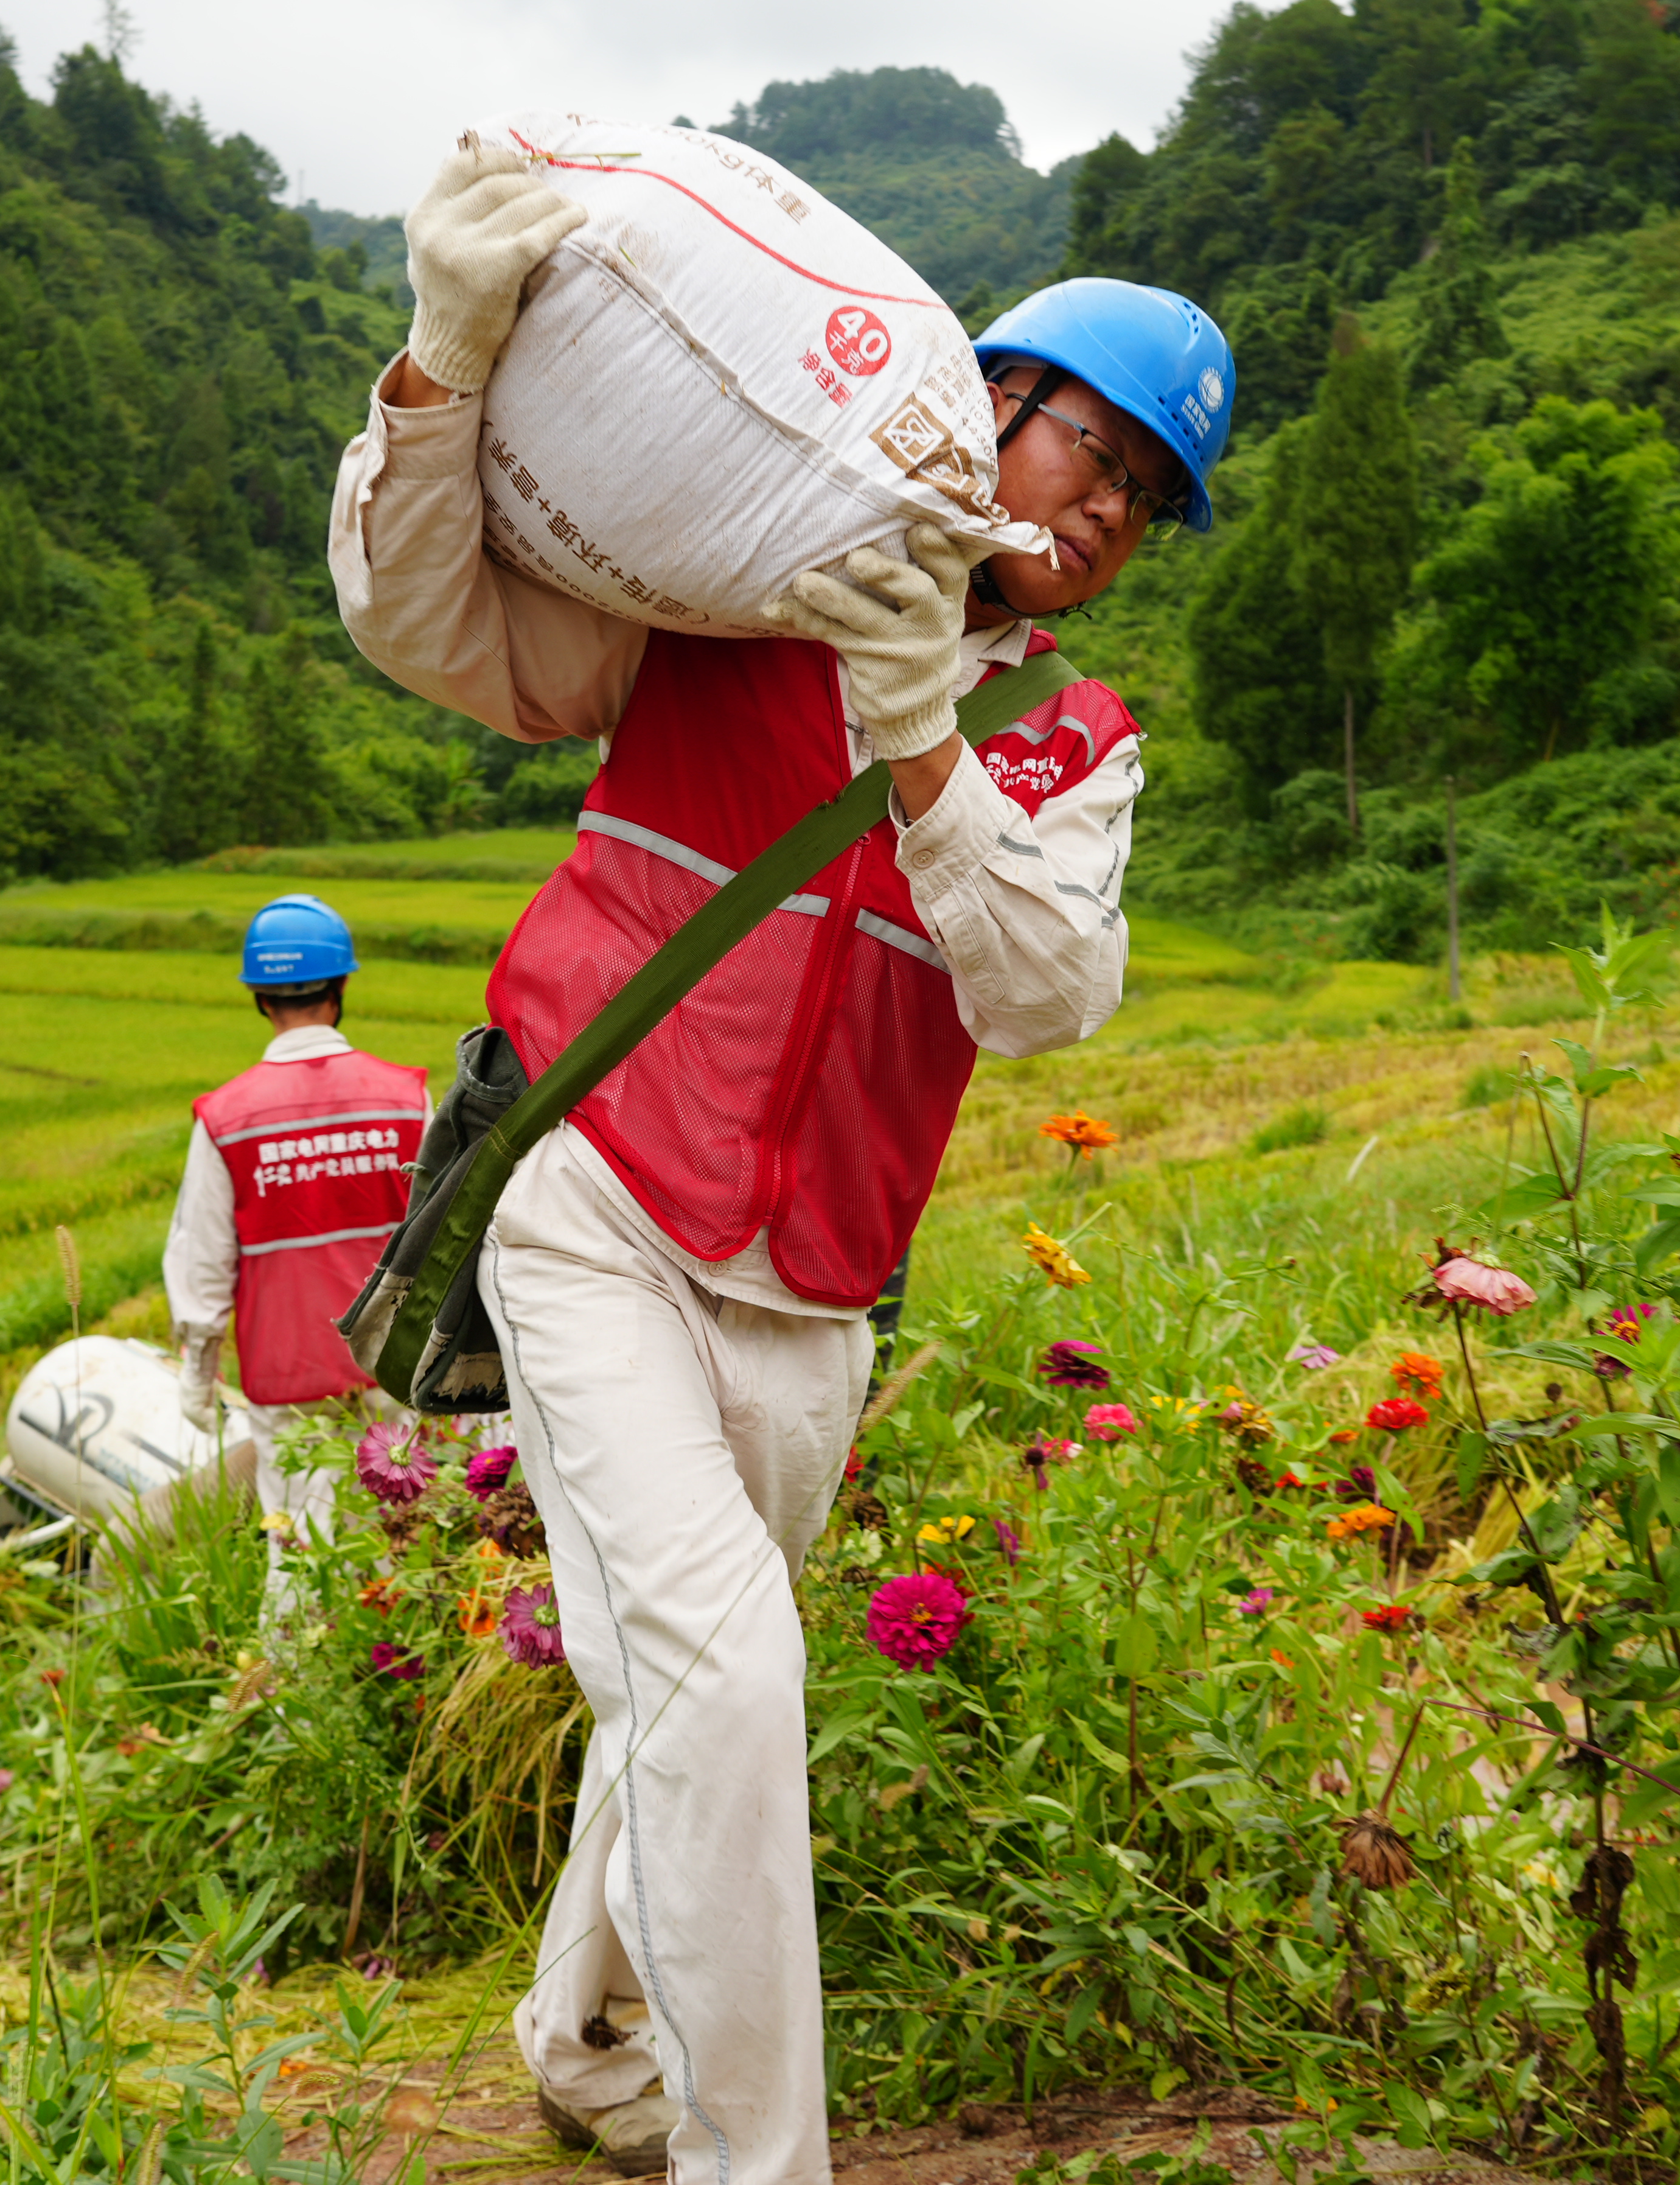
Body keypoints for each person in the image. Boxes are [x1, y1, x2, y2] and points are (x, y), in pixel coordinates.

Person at [329, 142, 1233, 2185]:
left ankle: (580, 2033)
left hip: (818, 1283)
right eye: (1080, 448)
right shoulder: (720, 578)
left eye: (1136, 504)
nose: (1090, 514)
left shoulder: (1068, 745)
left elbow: (1042, 990)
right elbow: (438, 627)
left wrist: (925, 741)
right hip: (597, 1195)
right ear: (981, 399)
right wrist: (441, 362)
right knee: (728, 1675)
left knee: (681, 1688)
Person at [162, 893, 429, 1566]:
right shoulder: (406, 1097)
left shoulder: (226, 1118)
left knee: (301, 1549)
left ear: (259, 997)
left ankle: (295, 1665)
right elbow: (445, 1236)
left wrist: (196, 1381)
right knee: (408, 1532)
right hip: (395, 1364)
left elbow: (201, 1265)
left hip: (290, 1376)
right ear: (339, 987)